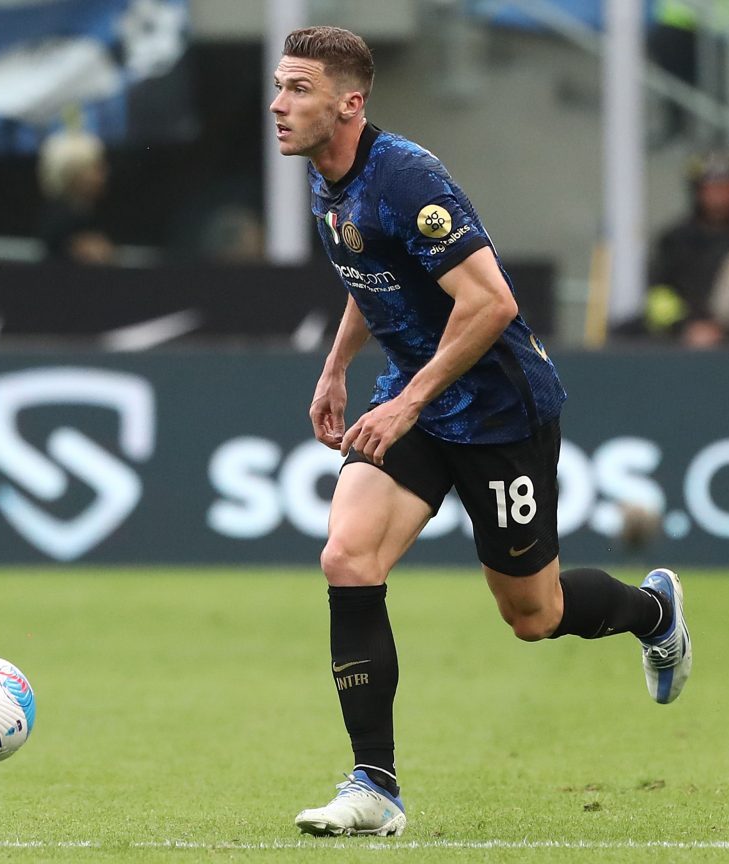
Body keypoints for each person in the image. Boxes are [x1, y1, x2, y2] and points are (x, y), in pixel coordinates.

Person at [270, 26, 693, 838]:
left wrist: (408, 403)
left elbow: (492, 302)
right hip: (417, 397)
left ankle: (653, 613)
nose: (278, 105)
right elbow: (374, 270)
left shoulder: (407, 178)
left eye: (297, 88)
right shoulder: (328, 178)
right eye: (280, 86)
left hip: (498, 410)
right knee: (347, 556)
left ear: (349, 104)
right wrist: (337, 366)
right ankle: (374, 786)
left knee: (534, 614)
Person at [644, 148, 729, 347]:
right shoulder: (674, 239)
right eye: (711, 188)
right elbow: (659, 296)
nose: (719, 196)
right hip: (683, 344)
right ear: (697, 191)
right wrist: (685, 327)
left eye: (726, 188)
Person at [36, 128, 116, 265]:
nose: (104, 175)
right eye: (95, 167)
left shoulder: (90, 213)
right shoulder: (60, 221)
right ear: (72, 174)